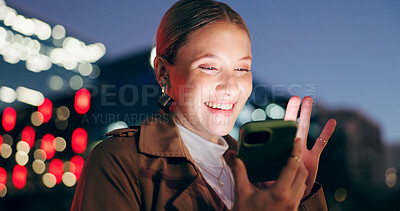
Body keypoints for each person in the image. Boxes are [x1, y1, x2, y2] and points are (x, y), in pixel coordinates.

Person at [71, 0, 337, 210]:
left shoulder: (260, 172)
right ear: (164, 73)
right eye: (209, 67)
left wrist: (300, 197)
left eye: (242, 68)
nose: (231, 86)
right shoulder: (119, 161)